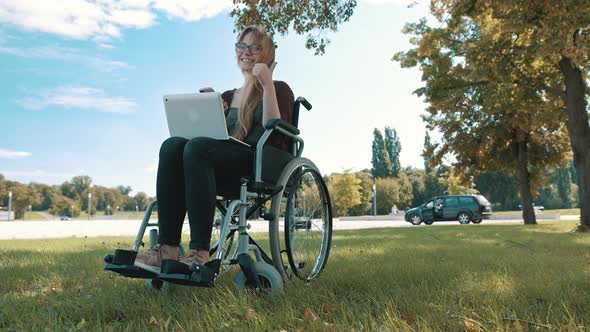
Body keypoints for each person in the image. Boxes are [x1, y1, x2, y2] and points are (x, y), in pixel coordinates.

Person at [135, 26, 294, 268]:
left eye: (254, 47)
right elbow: (216, 140)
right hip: (214, 164)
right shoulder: (230, 95)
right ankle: (167, 250)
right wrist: (210, 110)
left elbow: (273, 124)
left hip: (257, 163)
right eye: (241, 46)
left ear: (267, 54)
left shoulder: (279, 88)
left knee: (197, 148)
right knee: (172, 146)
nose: (246, 52)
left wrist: (267, 83)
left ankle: (199, 253)